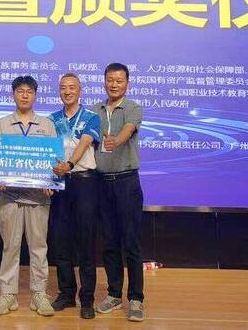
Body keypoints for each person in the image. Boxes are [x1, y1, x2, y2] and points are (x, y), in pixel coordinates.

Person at [0, 75, 56, 317]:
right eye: (20, 91)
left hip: (39, 198)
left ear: (35, 95)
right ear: (13, 94)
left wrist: (51, 182)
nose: (25, 95)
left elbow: (54, 159)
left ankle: (39, 293)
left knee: (39, 247)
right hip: (10, 197)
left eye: (29, 91)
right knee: (10, 247)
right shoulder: (1, 124)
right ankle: (8, 294)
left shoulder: (46, 125)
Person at [92, 63, 145, 323]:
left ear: (127, 83)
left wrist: (115, 141)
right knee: (110, 242)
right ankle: (114, 294)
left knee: (131, 242)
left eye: (119, 80)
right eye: (110, 80)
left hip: (126, 182)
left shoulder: (133, 108)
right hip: (101, 182)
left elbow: (128, 130)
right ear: (104, 81)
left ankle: (136, 299)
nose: (114, 84)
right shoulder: (94, 111)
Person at [49, 73, 102, 320]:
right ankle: (66, 293)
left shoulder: (91, 117)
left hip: (84, 182)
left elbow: (85, 143)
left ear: (80, 91)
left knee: (85, 241)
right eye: (63, 88)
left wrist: (69, 164)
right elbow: (46, 152)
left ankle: (87, 298)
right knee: (61, 240)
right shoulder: (51, 120)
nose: (67, 91)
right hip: (59, 184)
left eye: (72, 87)